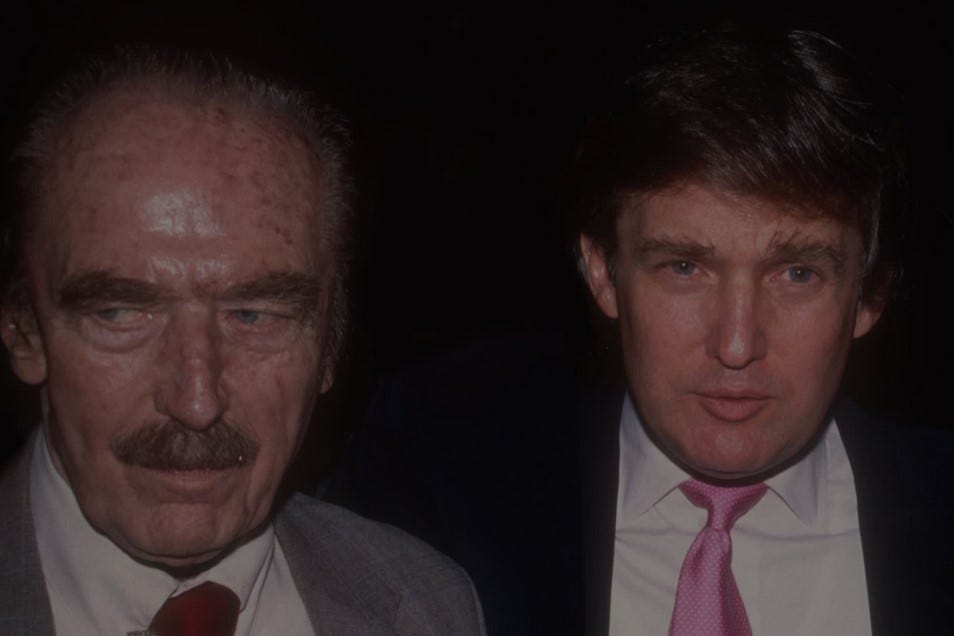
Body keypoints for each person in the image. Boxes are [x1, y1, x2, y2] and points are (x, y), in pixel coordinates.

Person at [328, 23, 953, 636]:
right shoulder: (442, 483)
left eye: (797, 274)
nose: (737, 345)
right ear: (602, 271)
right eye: (684, 268)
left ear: (870, 296)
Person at [0, 50, 484, 636]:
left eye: (254, 317)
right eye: (121, 313)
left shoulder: (431, 606)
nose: (197, 401)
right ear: (23, 329)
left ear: (329, 346)